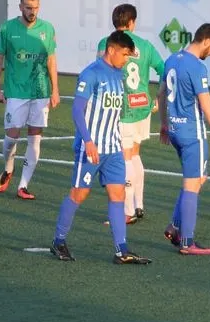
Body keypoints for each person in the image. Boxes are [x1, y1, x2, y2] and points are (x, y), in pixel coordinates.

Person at [48, 31, 151, 265]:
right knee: (79, 193)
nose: (126, 59)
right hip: (91, 149)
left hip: (114, 147)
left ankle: (121, 250)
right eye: (124, 54)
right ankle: (58, 241)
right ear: (112, 50)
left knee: (118, 194)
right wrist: (88, 140)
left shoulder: (119, 75)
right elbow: (77, 110)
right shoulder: (91, 74)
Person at [160, 23, 210, 255]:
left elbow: (161, 93)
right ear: (207, 41)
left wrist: (163, 124)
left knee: (198, 178)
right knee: (193, 184)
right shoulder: (197, 67)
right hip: (192, 134)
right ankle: (186, 242)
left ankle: (174, 226)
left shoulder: (172, 59)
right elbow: (207, 107)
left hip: (174, 129)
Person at [96, 4, 164, 224]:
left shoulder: (107, 44)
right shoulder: (145, 45)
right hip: (142, 107)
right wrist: (158, 98)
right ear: (132, 22)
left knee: (124, 157)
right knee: (134, 154)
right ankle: (138, 204)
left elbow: (100, 72)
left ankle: (127, 211)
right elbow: (164, 71)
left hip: (122, 108)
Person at [0, 0, 60, 199]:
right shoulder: (7, 28)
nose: (32, 12)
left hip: (40, 91)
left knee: (35, 138)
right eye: (28, 7)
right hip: (16, 91)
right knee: (11, 137)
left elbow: (51, 60)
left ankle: (23, 185)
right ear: (20, 6)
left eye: (36, 8)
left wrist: (55, 89)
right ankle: (9, 167)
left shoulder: (47, 29)